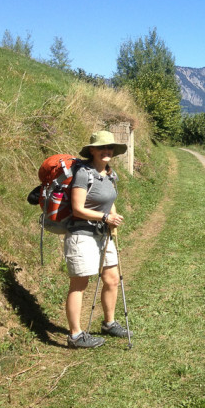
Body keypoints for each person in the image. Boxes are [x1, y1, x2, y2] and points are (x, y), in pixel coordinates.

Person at [64, 130, 130, 348]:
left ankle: (109, 323)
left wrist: (112, 219)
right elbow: (77, 208)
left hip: (104, 234)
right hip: (82, 235)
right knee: (80, 284)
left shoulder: (109, 174)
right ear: (91, 150)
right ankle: (75, 335)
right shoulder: (84, 174)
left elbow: (109, 200)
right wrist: (105, 217)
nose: (106, 151)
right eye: (101, 147)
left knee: (112, 279)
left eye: (109, 147)